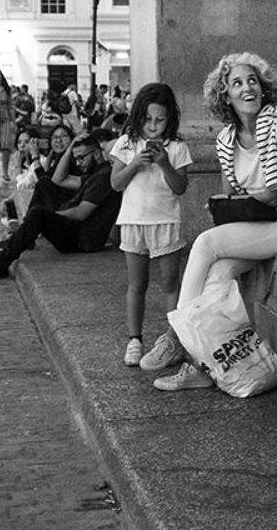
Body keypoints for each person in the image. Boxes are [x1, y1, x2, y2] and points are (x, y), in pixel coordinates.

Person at [146, 53, 277, 391]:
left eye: (253, 80)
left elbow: (274, 193)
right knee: (217, 274)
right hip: (266, 223)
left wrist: (266, 201)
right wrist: (256, 203)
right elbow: (233, 201)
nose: (247, 88)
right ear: (225, 94)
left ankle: (176, 338)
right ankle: (205, 364)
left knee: (206, 243)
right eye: (237, 83)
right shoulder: (227, 139)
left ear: (263, 87)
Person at [108, 83, 193, 369]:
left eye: (160, 120)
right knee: (137, 284)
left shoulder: (177, 147)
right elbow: (116, 183)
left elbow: (180, 187)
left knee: (170, 283)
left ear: (170, 119)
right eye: (148, 119)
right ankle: (135, 339)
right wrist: (134, 164)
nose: (153, 126)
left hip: (165, 220)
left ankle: (175, 339)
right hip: (133, 221)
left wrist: (165, 164)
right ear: (138, 116)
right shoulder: (126, 143)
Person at [0, 129, 125, 282]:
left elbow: (80, 213)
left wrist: (49, 215)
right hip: (76, 231)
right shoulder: (95, 173)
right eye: (75, 158)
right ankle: (18, 242)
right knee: (44, 185)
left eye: (81, 158)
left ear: (97, 154)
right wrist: (70, 148)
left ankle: (1, 263)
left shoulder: (103, 177)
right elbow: (58, 180)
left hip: (82, 240)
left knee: (37, 213)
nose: (78, 163)